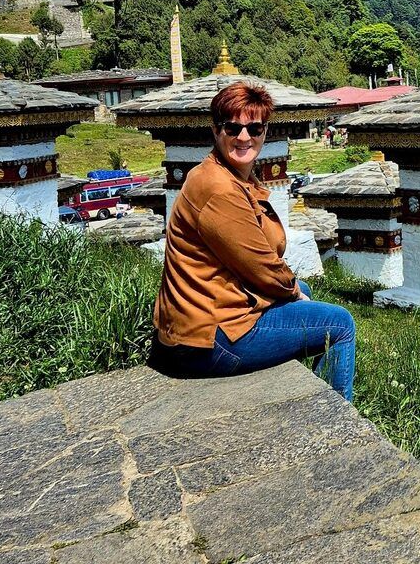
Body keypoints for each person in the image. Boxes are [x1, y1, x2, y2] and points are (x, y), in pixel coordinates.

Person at [151, 82, 356, 400]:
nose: (244, 137)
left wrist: (294, 291)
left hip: (197, 324)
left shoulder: (227, 175)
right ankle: (336, 419)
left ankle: (300, 391)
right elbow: (261, 266)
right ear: (216, 130)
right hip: (207, 341)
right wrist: (291, 291)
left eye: (254, 128)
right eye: (232, 128)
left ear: (265, 130)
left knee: (306, 292)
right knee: (339, 324)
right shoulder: (220, 190)